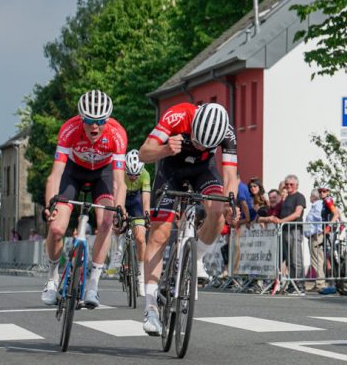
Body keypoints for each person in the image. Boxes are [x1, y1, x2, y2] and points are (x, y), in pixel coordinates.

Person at [138, 102, 238, 335]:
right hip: (170, 168)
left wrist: (230, 201)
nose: (198, 145)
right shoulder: (177, 115)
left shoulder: (227, 132)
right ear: (193, 123)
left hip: (203, 170)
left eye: (205, 144)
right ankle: (151, 308)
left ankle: (196, 260)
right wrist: (164, 149)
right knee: (160, 234)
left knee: (218, 210)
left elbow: (230, 174)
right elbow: (144, 152)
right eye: (195, 139)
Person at [40, 90, 127, 309]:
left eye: (100, 121)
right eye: (89, 121)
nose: (94, 126)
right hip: (73, 172)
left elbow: (119, 181)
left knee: (106, 220)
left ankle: (93, 286)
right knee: (57, 228)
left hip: (102, 175)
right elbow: (56, 174)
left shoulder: (117, 134)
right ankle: (52, 278)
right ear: (81, 118)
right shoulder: (69, 130)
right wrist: (49, 204)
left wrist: (120, 209)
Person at [271, 174, 306, 295]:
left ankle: (300, 285)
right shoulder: (285, 198)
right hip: (285, 230)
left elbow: (297, 214)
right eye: (287, 184)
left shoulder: (299, 197)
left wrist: (281, 221)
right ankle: (292, 285)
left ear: (296, 185)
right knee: (290, 260)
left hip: (294, 230)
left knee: (296, 259)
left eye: (291, 184)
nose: (288, 186)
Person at [123, 149, 151, 297]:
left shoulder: (145, 174)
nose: (133, 177)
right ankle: (118, 251)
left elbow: (145, 198)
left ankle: (141, 276)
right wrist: (120, 213)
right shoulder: (120, 172)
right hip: (122, 197)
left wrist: (147, 216)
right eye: (130, 174)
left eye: (136, 175)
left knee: (140, 237)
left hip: (135, 201)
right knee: (115, 223)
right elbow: (117, 193)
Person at [304, 189, 325, 292]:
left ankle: (320, 283)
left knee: (317, 260)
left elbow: (320, 219)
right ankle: (319, 282)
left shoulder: (318, 205)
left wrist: (319, 232)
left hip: (316, 236)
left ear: (313, 196)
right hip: (312, 236)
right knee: (315, 260)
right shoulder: (315, 205)